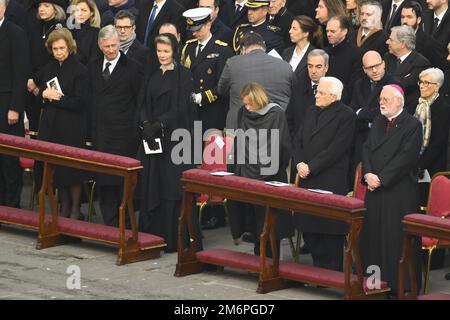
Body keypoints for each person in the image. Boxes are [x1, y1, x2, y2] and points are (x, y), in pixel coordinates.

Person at [137, 33, 197, 252]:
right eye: (159, 51)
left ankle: (173, 239)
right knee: (152, 182)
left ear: (175, 51)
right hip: (152, 139)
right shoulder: (151, 74)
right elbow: (142, 101)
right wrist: (145, 123)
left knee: (171, 188)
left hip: (174, 141)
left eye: (166, 51)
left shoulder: (184, 75)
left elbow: (180, 108)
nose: (162, 55)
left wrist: (160, 124)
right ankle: (152, 235)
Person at [360, 84, 422, 297]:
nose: (381, 102)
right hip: (374, 189)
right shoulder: (378, 121)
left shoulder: (412, 125)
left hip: (397, 192)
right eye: (380, 98)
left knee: (395, 241)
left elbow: (406, 158)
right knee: (373, 238)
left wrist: (382, 178)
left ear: (399, 101)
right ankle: (376, 282)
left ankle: (399, 285)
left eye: (386, 98)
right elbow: (366, 148)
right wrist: (368, 174)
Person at [293, 76, 356, 271]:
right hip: (306, 176)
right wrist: (300, 162)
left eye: (320, 92)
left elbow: (337, 149)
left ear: (334, 96)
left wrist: (311, 166)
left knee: (329, 227)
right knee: (309, 225)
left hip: (330, 177)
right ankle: (318, 266)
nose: (316, 95)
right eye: (316, 91)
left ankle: (333, 268)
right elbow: (299, 139)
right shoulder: (311, 110)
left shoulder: (346, 116)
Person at [227, 82, 292, 255]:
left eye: (250, 104)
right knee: (253, 222)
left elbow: (283, 146)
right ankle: (258, 260)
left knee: (270, 223)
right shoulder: (242, 112)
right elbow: (239, 140)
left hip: (270, 177)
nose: (247, 108)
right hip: (246, 174)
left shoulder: (275, 113)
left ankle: (271, 262)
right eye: (245, 103)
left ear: (259, 100)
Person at [88, 25, 143, 227]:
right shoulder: (93, 66)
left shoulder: (133, 67)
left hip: (124, 135)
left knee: (123, 181)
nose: (110, 50)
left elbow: (139, 101)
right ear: (100, 46)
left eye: (113, 45)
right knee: (104, 181)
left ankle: (125, 224)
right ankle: (110, 224)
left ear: (119, 44)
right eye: (106, 47)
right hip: (101, 134)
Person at [35, 28, 89, 219]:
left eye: (62, 48)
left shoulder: (81, 70)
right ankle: (63, 207)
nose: (59, 52)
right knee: (56, 170)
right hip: (50, 126)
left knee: (71, 170)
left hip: (71, 127)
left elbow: (80, 102)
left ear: (70, 46)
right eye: (55, 48)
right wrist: (43, 94)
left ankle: (75, 210)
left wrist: (55, 98)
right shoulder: (49, 67)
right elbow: (38, 90)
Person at [218, 31, 293, 129]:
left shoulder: (233, 63)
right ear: (264, 46)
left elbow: (221, 90)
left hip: (240, 129)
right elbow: (293, 94)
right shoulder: (285, 66)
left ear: (243, 49)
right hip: (275, 129)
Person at [349, 50, 400, 183]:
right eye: (370, 68)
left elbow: (386, 111)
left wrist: (363, 113)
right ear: (364, 69)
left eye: (377, 65)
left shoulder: (393, 83)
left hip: (382, 139)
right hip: (360, 138)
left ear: (384, 64)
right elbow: (353, 110)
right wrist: (368, 114)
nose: (375, 70)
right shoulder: (359, 84)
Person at [181, 7, 233, 132]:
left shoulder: (222, 50)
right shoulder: (188, 47)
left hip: (211, 111)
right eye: (193, 30)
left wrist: (202, 97)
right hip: (190, 110)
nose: (195, 33)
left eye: (198, 29)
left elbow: (223, 85)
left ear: (208, 24)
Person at [0, 0, 29, 208]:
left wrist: (15, 107)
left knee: (9, 159)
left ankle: (11, 206)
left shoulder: (16, 32)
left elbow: (21, 73)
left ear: (4, 8)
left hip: (7, 103)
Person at [26, 0, 66, 132]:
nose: (41, 9)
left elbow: (55, 60)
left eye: (46, 6)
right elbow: (27, 55)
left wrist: (37, 82)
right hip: (30, 84)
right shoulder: (34, 26)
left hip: (49, 82)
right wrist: (31, 81)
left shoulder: (60, 29)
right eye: (40, 6)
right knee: (32, 128)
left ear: (56, 9)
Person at [415, 68, 450, 204]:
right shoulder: (418, 104)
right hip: (415, 160)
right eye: (421, 82)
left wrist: (420, 164)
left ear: (437, 87)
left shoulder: (444, 108)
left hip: (431, 165)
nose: (422, 86)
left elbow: (438, 142)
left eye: (426, 83)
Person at [384, 25, 430, 114]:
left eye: (391, 40)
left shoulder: (421, 63)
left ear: (402, 44)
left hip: (405, 110)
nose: (387, 42)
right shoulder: (387, 57)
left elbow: (403, 85)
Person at [286, 49, 329, 140]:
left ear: (326, 67)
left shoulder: (334, 89)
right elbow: (289, 118)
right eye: (310, 66)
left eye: (318, 67)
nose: (313, 71)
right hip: (298, 144)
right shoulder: (297, 88)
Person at [325, 15, 363, 103]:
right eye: (327, 31)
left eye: (333, 31)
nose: (328, 34)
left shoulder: (357, 54)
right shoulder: (324, 52)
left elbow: (354, 86)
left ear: (344, 31)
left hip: (343, 103)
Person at [400, 1, 449, 71]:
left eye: (409, 17)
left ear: (418, 20)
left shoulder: (427, 43)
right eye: (402, 17)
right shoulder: (426, 16)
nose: (404, 21)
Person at [282, 15, 323, 80]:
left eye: (294, 28)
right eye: (291, 28)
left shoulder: (315, 54)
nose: (290, 31)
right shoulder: (286, 52)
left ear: (306, 33)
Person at [68, 0, 100, 65]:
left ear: (91, 13)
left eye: (84, 10)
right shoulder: (67, 31)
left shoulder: (96, 33)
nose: (80, 14)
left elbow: (95, 59)